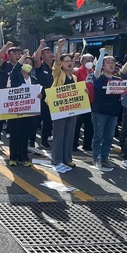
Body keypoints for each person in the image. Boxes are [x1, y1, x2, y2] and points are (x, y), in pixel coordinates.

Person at [91, 48, 125, 168]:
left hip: (113, 112)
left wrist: (124, 92)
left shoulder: (117, 80)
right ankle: (96, 158)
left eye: (113, 63)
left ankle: (105, 158)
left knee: (109, 137)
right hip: (100, 111)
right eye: (108, 63)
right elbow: (96, 69)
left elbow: (123, 94)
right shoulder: (99, 77)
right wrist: (101, 54)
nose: (111, 65)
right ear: (102, 66)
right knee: (98, 136)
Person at [7, 50, 41, 166]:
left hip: (28, 112)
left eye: (30, 63)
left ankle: (24, 157)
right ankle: (13, 157)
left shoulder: (34, 80)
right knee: (15, 134)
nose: (28, 65)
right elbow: (15, 68)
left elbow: (39, 93)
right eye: (26, 62)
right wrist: (25, 55)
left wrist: (40, 95)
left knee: (24, 135)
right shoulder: (16, 76)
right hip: (15, 111)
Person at [51, 38, 80, 173]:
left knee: (70, 133)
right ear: (61, 63)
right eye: (66, 61)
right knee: (59, 133)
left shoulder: (74, 77)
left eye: (70, 61)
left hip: (72, 109)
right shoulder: (58, 73)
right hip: (59, 108)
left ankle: (67, 158)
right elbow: (56, 61)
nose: (69, 63)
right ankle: (57, 159)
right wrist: (59, 47)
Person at [0, 42, 21, 149]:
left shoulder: (21, 67)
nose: (17, 56)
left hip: (17, 97)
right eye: (15, 53)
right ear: (9, 55)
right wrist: (6, 47)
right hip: (4, 96)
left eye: (19, 54)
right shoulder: (5, 66)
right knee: (0, 119)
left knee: (15, 121)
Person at [33, 40, 54, 149]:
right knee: (36, 120)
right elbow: (36, 58)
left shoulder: (55, 68)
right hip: (41, 97)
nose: (50, 54)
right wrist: (41, 45)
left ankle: (44, 141)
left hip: (51, 98)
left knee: (48, 121)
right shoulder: (40, 66)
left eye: (50, 52)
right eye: (46, 52)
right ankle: (31, 140)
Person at [73, 54, 95, 152]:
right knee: (77, 124)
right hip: (80, 101)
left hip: (91, 101)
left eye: (91, 60)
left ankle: (87, 144)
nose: (90, 62)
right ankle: (74, 144)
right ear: (82, 62)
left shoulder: (94, 73)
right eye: (87, 60)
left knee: (89, 124)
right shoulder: (77, 71)